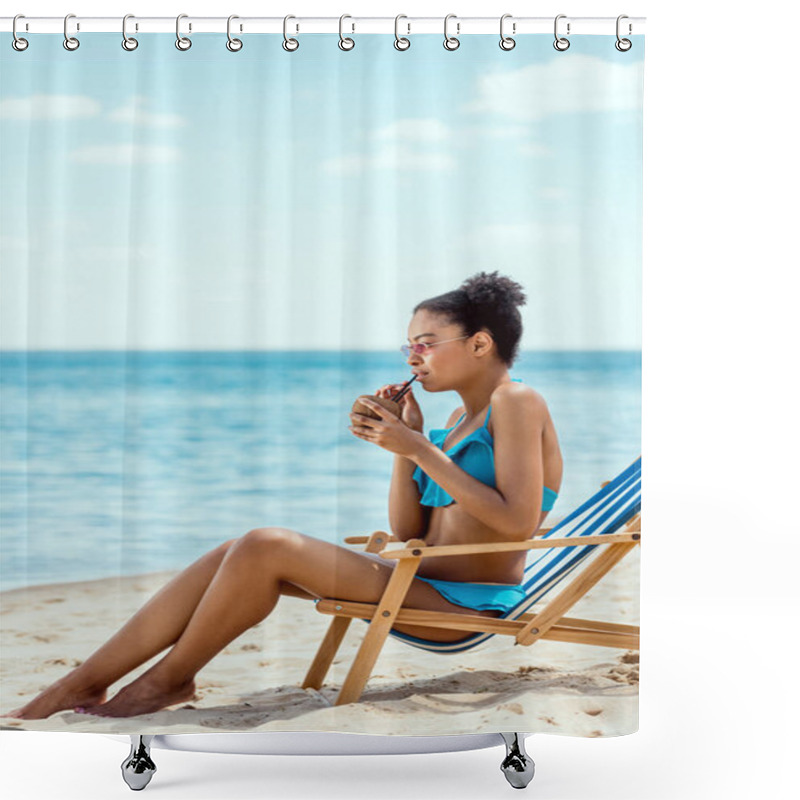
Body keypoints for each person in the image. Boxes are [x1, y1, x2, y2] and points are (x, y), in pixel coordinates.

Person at [3, 270, 562, 720]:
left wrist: (417, 448)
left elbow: (516, 524)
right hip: (423, 585)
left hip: (465, 606)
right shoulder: (452, 422)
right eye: (407, 344)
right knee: (237, 548)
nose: (412, 356)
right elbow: (409, 535)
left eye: (426, 343)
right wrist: (401, 443)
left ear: (481, 343)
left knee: (266, 543)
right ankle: (83, 682)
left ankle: (168, 681)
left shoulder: (517, 401)